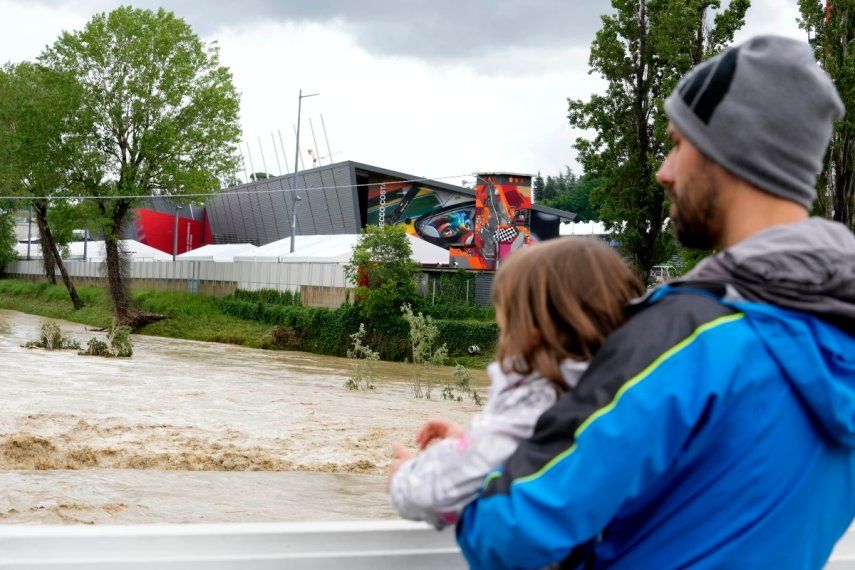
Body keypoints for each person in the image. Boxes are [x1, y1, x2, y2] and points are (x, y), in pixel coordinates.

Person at [457, 35, 855, 569]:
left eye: (677, 144)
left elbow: (512, 529)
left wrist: (459, 471)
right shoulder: (839, 335)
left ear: (729, 153)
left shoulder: (686, 340)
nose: (664, 171)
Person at [387, 237, 643, 529]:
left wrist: (405, 476)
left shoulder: (536, 402)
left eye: (504, 325)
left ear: (531, 332)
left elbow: (431, 495)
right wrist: (466, 441)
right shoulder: (623, 391)